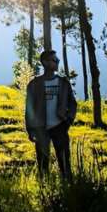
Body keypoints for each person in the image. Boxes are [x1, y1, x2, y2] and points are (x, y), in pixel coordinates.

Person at [25, 49, 77, 180]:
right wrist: (30, 129)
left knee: (65, 164)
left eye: (57, 60)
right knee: (43, 165)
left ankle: (69, 191)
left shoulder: (63, 83)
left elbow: (72, 103)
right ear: (45, 63)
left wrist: (69, 120)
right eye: (55, 60)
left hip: (60, 127)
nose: (58, 62)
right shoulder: (34, 84)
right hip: (41, 128)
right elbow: (29, 109)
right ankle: (45, 191)